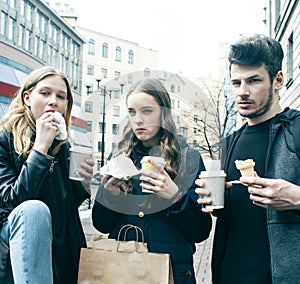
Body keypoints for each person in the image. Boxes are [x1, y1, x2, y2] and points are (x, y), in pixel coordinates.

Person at [196, 34, 300, 284]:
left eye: (253, 81)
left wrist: (296, 198)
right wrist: (210, 199)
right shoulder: (229, 143)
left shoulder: (297, 129)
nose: (242, 92)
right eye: (236, 83)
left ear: (278, 80)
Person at [92, 78, 212, 283]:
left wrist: (174, 196)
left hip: (172, 272)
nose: (138, 120)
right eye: (132, 112)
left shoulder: (188, 158)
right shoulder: (120, 157)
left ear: (163, 113)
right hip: (123, 270)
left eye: (147, 111)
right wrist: (111, 196)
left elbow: (200, 230)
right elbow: (101, 224)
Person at [0, 66, 94, 283]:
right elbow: (10, 203)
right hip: (15, 249)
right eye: (45, 93)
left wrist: (83, 184)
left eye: (61, 97)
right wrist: (40, 148)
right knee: (34, 210)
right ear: (27, 98)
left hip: (59, 248)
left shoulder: (63, 147)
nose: (54, 101)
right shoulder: (5, 140)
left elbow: (64, 208)